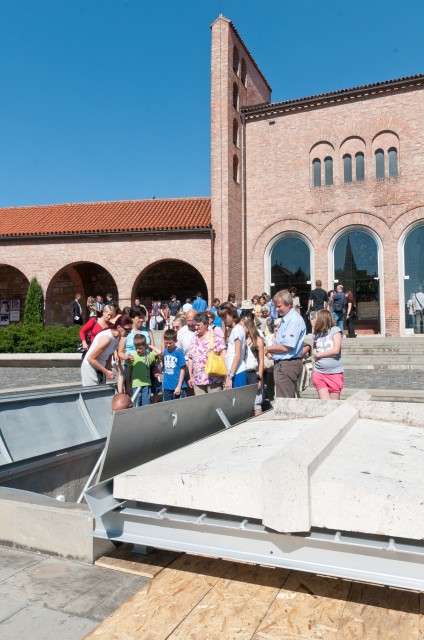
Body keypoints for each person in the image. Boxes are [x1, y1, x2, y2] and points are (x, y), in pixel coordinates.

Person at [264, 289, 306, 398]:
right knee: (283, 398)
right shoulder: (286, 319)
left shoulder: (293, 320)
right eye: (276, 307)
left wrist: (268, 348)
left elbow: (287, 347)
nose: (277, 310)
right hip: (283, 363)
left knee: (285, 400)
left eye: (279, 306)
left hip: (287, 364)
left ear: (289, 305)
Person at [81, 315, 132, 386]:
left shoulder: (118, 337)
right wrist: (105, 371)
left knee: (101, 391)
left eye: (130, 330)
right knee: (92, 392)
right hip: (90, 367)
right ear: (118, 327)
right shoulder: (106, 338)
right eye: (127, 330)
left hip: (101, 367)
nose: (129, 332)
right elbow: (90, 358)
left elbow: (110, 353)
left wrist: (108, 368)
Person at [187, 312, 226, 395]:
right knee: (201, 402)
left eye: (198, 325)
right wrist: (191, 376)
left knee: (215, 402)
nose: (196, 327)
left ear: (206, 324)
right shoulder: (194, 338)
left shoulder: (215, 337)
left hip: (213, 379)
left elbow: (223, 354)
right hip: (197, 380)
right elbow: (190, 358)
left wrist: (227, 375)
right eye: (195, 325)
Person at [311, 309, 344, 400]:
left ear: (322, 319)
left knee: (333, 404)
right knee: (324, 403)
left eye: (316, 318)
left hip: (334, 372)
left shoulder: (335, 330)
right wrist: (316, 355)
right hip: (319, 372)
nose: (313, 319)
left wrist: (319, 355)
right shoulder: (316, 334)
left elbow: (336, 350)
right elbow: (315, 349)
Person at [127, 334, 162, 406]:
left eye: (140, 348)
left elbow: (159, 352)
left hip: (146, 384)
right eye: (136, 348)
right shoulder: (133, 356)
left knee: (146, 405)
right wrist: (128, 384)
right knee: (136, 405)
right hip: (135, 384)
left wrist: (149, 346)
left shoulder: (149, 355)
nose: (138, 350)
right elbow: (129, 371)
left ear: (145, 346)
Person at [220, 305, 247, 389]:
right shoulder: (234, 329)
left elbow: (237, 355)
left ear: (232, 314)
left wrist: (230, 376)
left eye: (225, 317)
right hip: (233, 371)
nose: (223, 320)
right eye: (222, 318)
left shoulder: (237, 329)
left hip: (237, 371)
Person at [243, 316, 264, 416]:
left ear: (248, 326)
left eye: (243, 326)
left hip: (254, 372)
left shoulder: (258, 340)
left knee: (256, 403)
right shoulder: (241, 339)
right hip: (244, 372)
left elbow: (261, 360)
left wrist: (259, 378)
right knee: (246, 403)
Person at [162, 329, 187, 401]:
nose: (168, 345)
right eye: (166, 343)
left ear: (176, 341)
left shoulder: (179, 352)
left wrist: (179, 386)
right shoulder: (165, 351)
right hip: (167, 386)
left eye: (170, 343)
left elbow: (182, 370)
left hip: (177, 386)